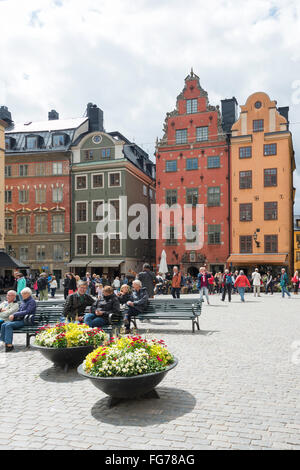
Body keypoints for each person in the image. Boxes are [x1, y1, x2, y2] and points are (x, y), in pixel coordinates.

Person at [0, 288, 36, 352]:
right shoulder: (24, 301)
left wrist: (14, 315)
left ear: (27, 294)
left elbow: (27, 311)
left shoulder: (32, 301)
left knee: (8, 325)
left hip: (27, 320)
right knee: (4, 324)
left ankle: (9, 345)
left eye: (23, 294)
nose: (22, 295)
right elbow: (19, 311)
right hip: (21, 319)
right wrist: (14, 315)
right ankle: (3, 342)